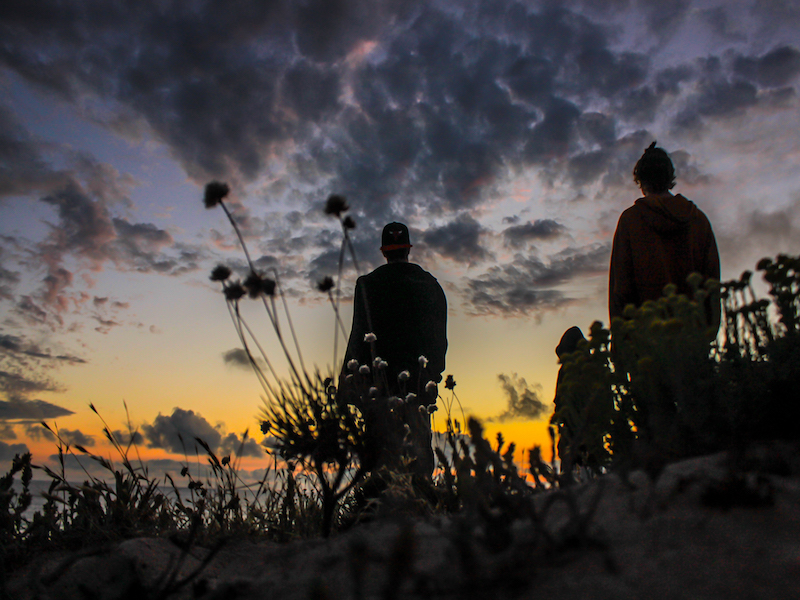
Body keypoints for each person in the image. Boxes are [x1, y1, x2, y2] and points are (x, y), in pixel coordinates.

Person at [339, 222, 447, 478]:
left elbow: (358, 336)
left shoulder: (368, 285)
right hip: (417, 388)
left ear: (384, 251)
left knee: (382, 465)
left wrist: (347, 386)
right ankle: (422, 509)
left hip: (380, 389)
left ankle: (384, 512)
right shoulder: (430, 284)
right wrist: (431, 377)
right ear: (408, 249)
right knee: (419, 461)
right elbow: (439, 341)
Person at [609, 142, 721, 331]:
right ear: (670, 177)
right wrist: (709, 331)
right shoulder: (698, 220)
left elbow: (621, 287)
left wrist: (622, 343)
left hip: (646, 341)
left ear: (641, 180)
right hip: (693, 336)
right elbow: (712, 282)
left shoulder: (630, 221)